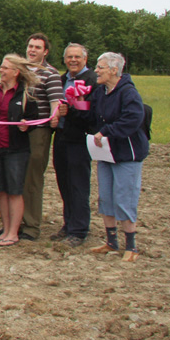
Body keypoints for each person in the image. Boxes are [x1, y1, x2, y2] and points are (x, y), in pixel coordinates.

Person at [80, 52, 150, 262]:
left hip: (126, 155)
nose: (96, 71)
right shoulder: (101, 91)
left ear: (113, 70)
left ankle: (131, 246)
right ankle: (111, 241)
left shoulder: (128, 93)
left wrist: (106, 131)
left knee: (124, 198)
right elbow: (92, 114)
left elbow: (133, 119)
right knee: (106, 198)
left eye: (100, 67)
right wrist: (79, 103)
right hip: (106, 153)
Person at [0, 54, 39, 247]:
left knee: (15, 190)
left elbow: (34, 118)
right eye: (1, 66)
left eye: (5, 68)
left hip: (16, 149)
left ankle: (13, 232)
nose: (1, 70)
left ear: (16, 72)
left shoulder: (26, 94)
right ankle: (5, 229)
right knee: (0, 190)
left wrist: (27, 125)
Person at [50, 43, 99, 247]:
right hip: (61, 136)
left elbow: (91, 110)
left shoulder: (92, 81)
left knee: (78, 184)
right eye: (69, 57)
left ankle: (79, 230)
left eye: (77, 57)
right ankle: (68, 223)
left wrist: (71, 111)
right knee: (64, 184)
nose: (73, 60)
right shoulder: (62, 80)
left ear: (85, 59)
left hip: (79, 139)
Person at [19, 33, 64, 240]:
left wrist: (54, 118)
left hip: (39, 132)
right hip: (19, 131)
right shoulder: (21, 70)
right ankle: (15, 223)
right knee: (18, 179)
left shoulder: (51, 74)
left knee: (32, 179)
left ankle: (31, 226)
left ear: (45, 51)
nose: (32, 50)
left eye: (37, 47)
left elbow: (56, 102)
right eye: (30, 46)